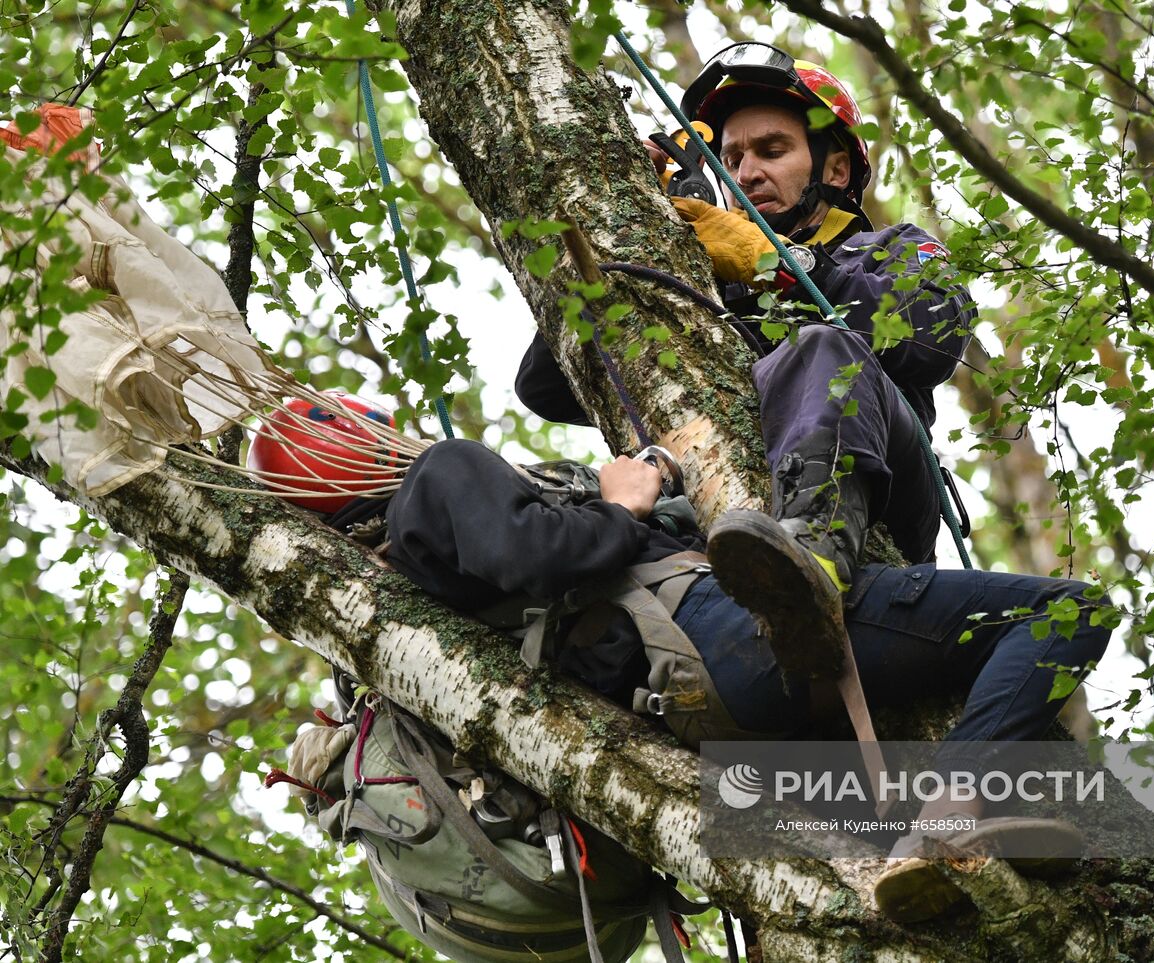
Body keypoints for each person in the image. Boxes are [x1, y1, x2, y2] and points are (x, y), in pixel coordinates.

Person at [256, 389, 1110, 924]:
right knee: (1065, 612)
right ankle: (955, 800)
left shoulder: (383, 624)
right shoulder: (439, 475)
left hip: (699, 723)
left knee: (919, 872)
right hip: (721, 632)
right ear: (357, 441)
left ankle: (925, 841)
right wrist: (623, 501)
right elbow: (542, 554)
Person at [514, 44, 977, 669]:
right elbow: (546, 383)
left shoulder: (889, 250)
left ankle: (814, 562)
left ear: (834, 169)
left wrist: (777, 266)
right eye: (730, 158)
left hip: (888, 489)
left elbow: (930, 335)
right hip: (731, 520)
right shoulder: (707, 279)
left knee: (820, 346)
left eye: (772, 150)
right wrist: (627, 232)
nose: (747, 172)